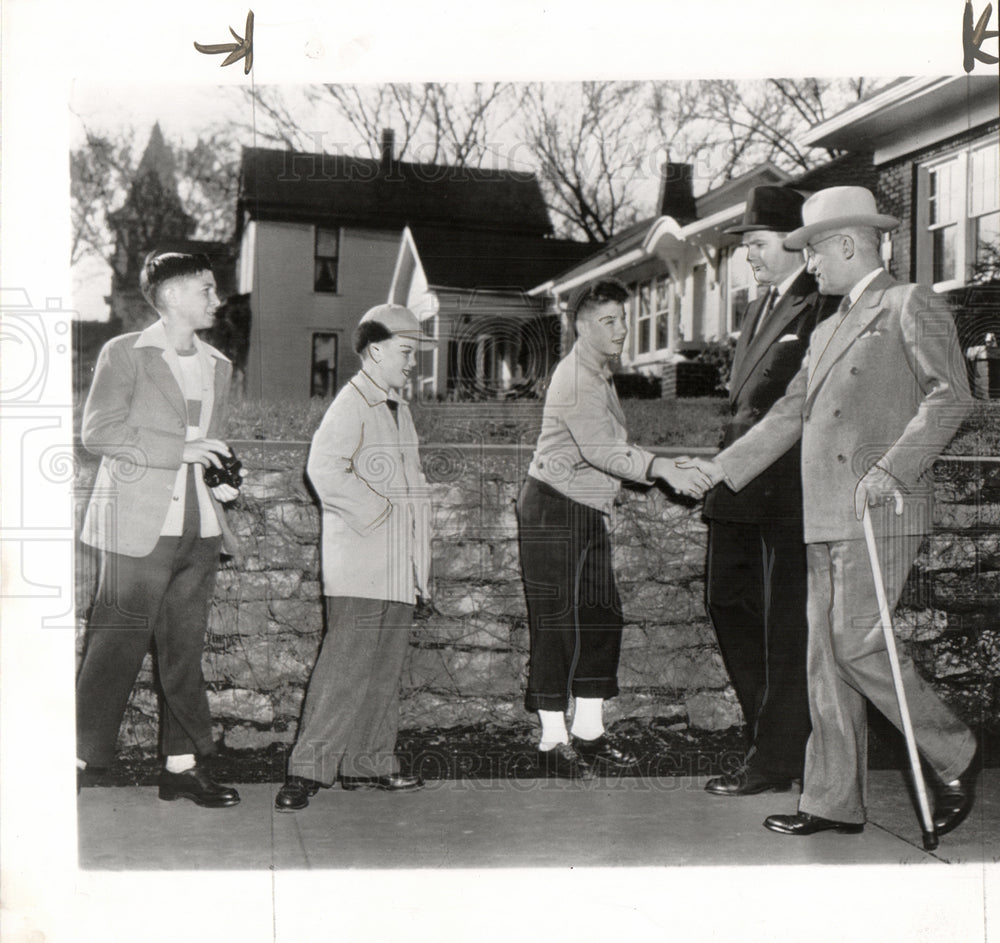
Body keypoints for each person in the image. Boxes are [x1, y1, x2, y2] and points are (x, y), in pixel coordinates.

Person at [686, 187, 979, 836]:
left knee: (856, 644)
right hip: (822, 512)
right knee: (825, 661)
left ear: (848, 244)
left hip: (881, 506)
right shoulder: (825, 327)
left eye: (812, 250)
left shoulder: (911, 303)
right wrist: (720, 469)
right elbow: (789, 414)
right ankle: (832, 799)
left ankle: (955, 749)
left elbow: (950, 397)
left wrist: (892, 466)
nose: (808, 263)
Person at [517, 280, 711, 779]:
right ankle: (550, 743)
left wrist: (664, 463)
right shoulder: (577, 376)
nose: (623, 329)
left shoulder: (597, 373)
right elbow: (600, 450)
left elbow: (606, 446)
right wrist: (662, 468)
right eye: (610, 321)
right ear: (581, 326)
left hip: (583, 510)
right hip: (553, 510)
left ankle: (588, 734)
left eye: (623, 320)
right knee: (557, 624)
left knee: (601, 618)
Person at [76, 251, 243, 808]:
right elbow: (99, 432)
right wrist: (182, 449)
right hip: (135, 524)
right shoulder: (124, 353)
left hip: (199, 529)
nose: (216, 300)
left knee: (183, 650)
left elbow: (210, 445)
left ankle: (182, 766)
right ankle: (80, 758)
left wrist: (222, 476)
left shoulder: (219, 364)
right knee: (114, 646)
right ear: (171, 296)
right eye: (206, 289)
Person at [702, 187, 840, 797]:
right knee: (727, 603)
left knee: (785, 627)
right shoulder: (759, 309)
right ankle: (770, 739)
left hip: (786, 492)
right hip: (737, 489)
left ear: (794, 243)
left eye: (755, 244)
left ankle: (775, 757)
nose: (748, 258)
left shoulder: (823, 306)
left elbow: (798, 407)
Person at [275, 304, 434, 811]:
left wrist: (416, 559)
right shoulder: (351, 403)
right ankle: (305, 771)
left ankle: (369, 764)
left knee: (383, 670)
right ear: (376, 351)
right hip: (361, 562)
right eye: (407, 353)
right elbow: (324, 470)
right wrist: (382, 512)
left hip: (395, 564)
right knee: (344, 669)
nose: (412, 363)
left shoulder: (398, 408)